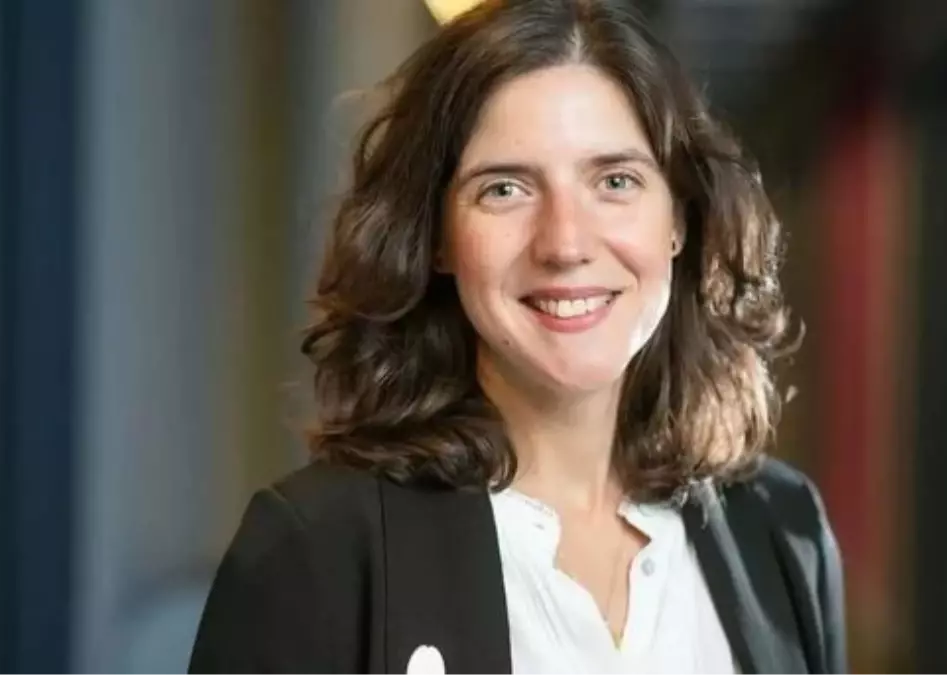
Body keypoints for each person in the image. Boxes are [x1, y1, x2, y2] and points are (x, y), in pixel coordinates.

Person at [188, 1, 846, 673]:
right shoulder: (317, 549)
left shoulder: (781, 530)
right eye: (504, 189)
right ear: (436, 238)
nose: (565, 243)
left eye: (615, 181)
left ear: (677, 218)